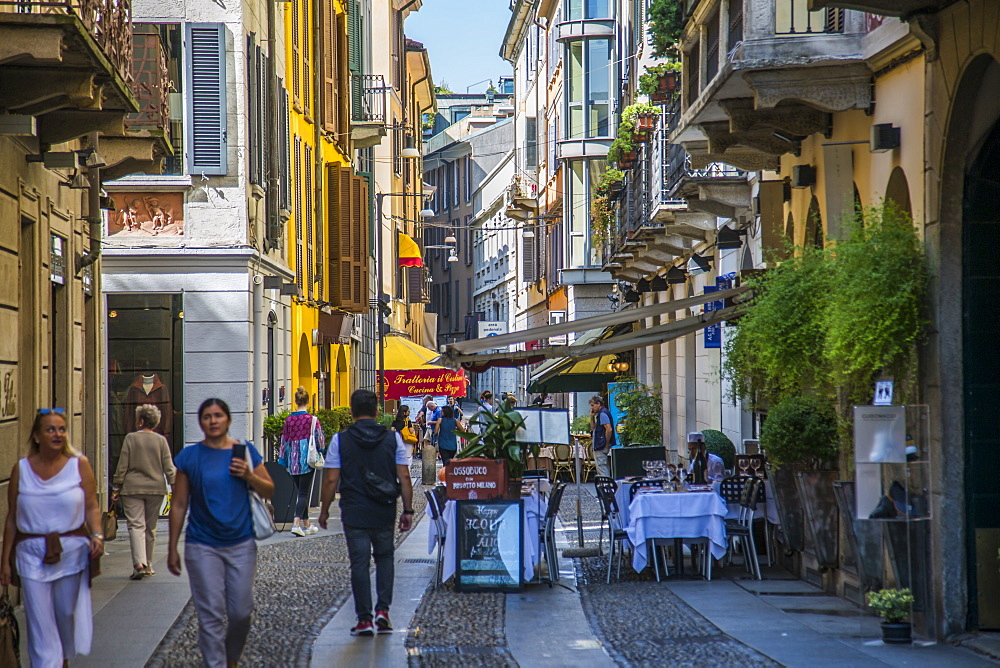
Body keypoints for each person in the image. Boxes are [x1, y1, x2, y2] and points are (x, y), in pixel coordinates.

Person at [167, 398, 275, 667]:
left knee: (240, 612)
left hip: (241, 543)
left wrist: (249, 475)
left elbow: (270, 490)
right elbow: (179, 504)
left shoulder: (244, 451)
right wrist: (172, 547)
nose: (213, 421)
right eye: (207, 416)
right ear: (200, 422)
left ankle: (230, 659)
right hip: (202, 544)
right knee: (210, 613)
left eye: (217, 415)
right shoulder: (190, 457)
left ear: (228, 419)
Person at [0, 408, 104, 667]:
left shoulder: (79, 465)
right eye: (50, 429)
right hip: (32, 554)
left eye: (61, 429)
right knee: (40, 622)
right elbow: (12, 517)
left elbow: (91, 505)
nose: (58, 434)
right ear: (36, 436)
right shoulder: (21, 469)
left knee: (64, 618)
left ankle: (60, 661)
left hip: (72, 553)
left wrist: (98, 535)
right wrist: (4, 561)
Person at [318, 389, 414, 638]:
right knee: (384, 558)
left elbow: (330, 480)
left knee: (359, 563)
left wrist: (325, 510)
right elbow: (404, 476)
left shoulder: (340, 439)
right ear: (376, 411)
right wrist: (408, 510)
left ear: (351, 412)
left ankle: (364, 619)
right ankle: (383, 611)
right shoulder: (393, 440)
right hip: (383, 508)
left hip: (354, 509)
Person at [113, 403, 177, 579]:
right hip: (156, 488)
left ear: (140, 421)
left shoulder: (130, 439)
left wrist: (116, 486)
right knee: (151, 527)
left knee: (135, 525)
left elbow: (122, 465)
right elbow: (168, 467)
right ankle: (148, 565)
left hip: (132, 488)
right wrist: (173, 485)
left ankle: (138, 563)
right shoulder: (161, 440)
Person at [278, 387, 326, 537]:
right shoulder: (312, 420)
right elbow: (320, 440)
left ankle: (307, 525)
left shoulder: (289, 420)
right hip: (307, 461)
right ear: (308, 401)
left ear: (295, 401)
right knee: (304, 493)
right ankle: (296, 523)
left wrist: (283, 460)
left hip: (292, 462)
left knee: (301, 493)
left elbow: (284, 441)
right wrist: (322, 451)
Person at [589, 395, 615, 479]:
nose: (592, 408)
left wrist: (606, 444)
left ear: (598, 404)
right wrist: (591, 417)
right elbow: (593, 428)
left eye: (593, 405)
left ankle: (606, 486)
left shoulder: (603, 414)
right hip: (600, 444)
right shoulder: (601, 414)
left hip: (601, 445)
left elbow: (609, 429)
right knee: (602, 466)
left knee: (602, 467)